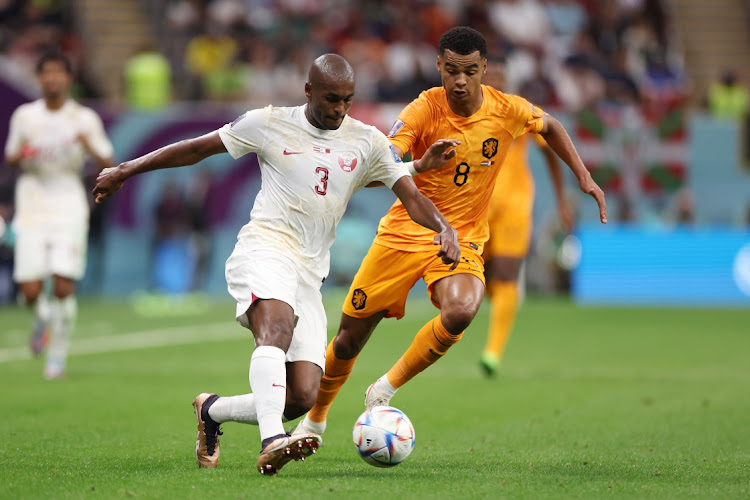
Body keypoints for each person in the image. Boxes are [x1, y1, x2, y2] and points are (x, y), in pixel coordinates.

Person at [92, 54, 462, 476]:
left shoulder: (366, 141)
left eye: (347, 100)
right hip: (265, 249)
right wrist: (126, 169)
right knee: (276, 330)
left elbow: (410, 194)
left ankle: (212, 410)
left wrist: (444, 228)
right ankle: (271, 441)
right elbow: (196, 149)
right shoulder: (268, 123)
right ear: (308, 91)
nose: (339, 109)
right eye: (330, 99)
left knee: (302, 395)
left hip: (309, 270)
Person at [292, 27, 606, 439]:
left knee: (461, 310)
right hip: (405, 232)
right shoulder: (424, 108)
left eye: (470, 71)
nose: (460, 80)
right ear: (439, 66)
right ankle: (315, 420)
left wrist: (583, 177)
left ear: (484, 70)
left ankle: (383, 390)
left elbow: (550, 126)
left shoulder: (506, 109)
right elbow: (385, 160)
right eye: (452, 70)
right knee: (349, 339)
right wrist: (417, 162)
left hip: (463, 237)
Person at [4, 51, 114, 379]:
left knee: (64, 285)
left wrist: (87, 145)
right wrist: (21, 153)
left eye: (57, 73)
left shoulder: (83, 119)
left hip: (68, 205)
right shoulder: (25, 116)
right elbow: (10, 157)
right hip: (32, 204)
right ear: (39, 79)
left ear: (67, 78)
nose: (51, 78)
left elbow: (108, 161)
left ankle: (57, 358)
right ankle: (40, 318)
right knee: (30, 291)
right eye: (46, 73)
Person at [478, 55, 574, 376]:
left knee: (506, 274)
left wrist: (561, 199)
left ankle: (493, 352)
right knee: (486, 282)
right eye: (495, 76)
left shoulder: (520, 112)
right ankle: (500, 306)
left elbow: (550, 148)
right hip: (478, 208)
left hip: (515, 206)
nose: (499, 82)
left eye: (504, 77)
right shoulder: (468, 115)